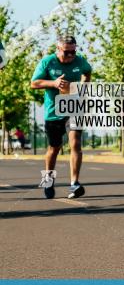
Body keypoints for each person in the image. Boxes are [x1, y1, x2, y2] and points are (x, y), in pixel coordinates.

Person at [30, 35, 92, 199]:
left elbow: (88, 72)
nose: (71, 56)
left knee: (76, 143)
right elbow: (34, 83)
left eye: (73, 52)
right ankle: (48, 181)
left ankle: (74, 183)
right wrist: (53, 83)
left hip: (74, 107)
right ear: (58, 49)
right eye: (67, 52)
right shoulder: (48, 62)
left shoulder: (80, 61)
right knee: (54, 148)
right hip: (54, 111)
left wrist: (83, 90)